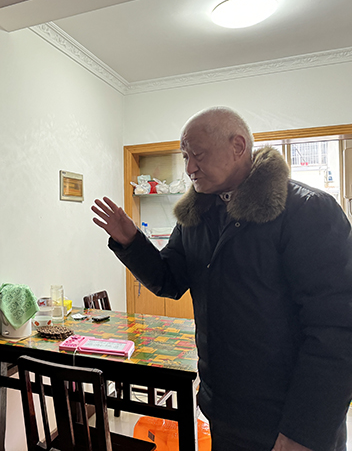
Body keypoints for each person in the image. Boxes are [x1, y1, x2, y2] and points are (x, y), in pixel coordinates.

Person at [92, 106, 352, 451]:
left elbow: (337, 331)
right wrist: (131, 242)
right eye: (185, 156)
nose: (189, 168)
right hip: (224, 411)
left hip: (287, 422)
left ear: (238, 146)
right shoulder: (196, 217)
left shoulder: (307, 210)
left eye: (198, 155)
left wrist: (303, 432)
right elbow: (169, 280)